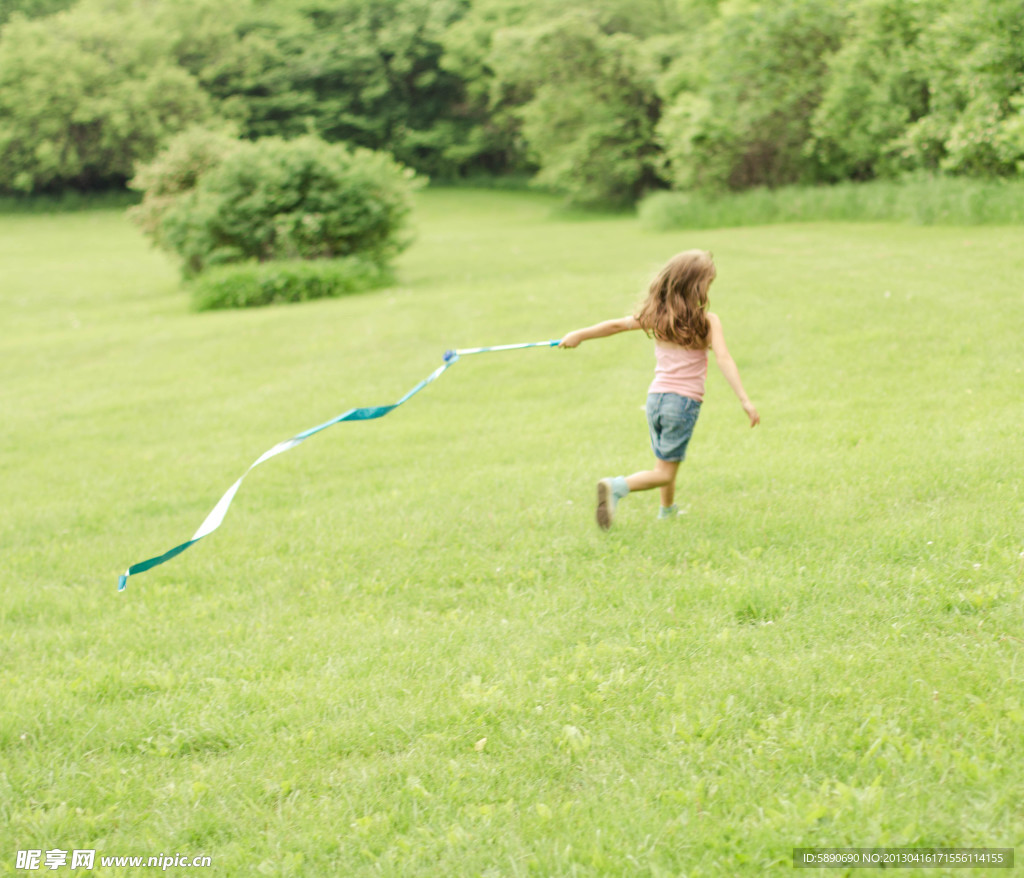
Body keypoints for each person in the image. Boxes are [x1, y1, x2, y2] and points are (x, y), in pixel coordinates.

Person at [559, 249, 759, 529]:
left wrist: (578, 334)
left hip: (655, 400)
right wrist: (745, 400)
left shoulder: (655, 316)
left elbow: (616, 325)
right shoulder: (707, 321)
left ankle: (667, 510)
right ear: (699, 287)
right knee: (664, 472)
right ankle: (616, 486)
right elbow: (724, 358)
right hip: (682, 404)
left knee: (665, 460)